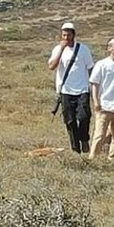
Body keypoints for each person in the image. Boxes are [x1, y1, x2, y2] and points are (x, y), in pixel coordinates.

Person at [48, 22, 95, 153]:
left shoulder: (83, 49)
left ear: (73, 35)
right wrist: (61, 50)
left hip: (82, 89)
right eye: (64, 35)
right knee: (70, 121)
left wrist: (93, 85)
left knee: (84, 117)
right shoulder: (57, 49)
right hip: (65, 90)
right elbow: (52, 66)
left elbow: (90, 68)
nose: (66, 38)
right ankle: (76, 148)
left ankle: (84, 139)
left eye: (68, 35)